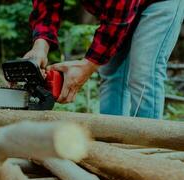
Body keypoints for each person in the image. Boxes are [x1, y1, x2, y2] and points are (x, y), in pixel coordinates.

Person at [23, 0, 184, 119]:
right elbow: (47, 5)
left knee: (143, 73)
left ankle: (147, 147)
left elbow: (119, 14)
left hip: (159, 3)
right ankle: (113, 142)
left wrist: (87, 66)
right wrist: (40, 45)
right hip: (118, 10)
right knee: (112, 74)